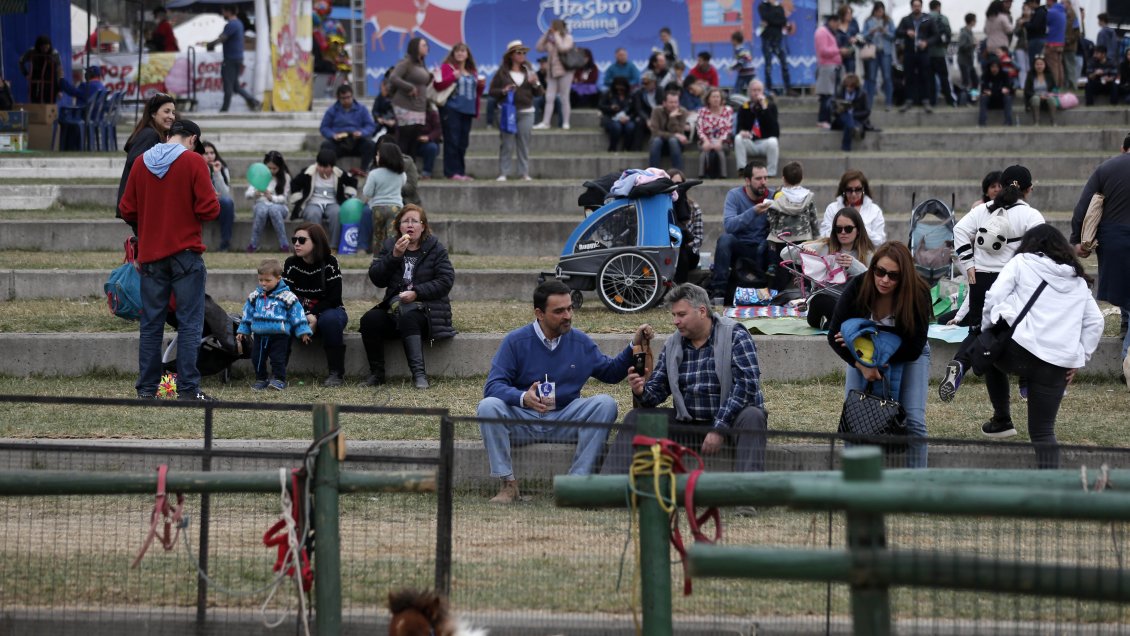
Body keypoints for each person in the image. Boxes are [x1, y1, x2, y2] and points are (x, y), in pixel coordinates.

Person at [477, 280, 642, 504]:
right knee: (487, 406)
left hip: (565, 419)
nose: (567, 315)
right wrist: (523, 397)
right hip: (524, 422)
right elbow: (493, 387)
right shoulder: (516, 341)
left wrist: (633, 346)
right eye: (559, 311)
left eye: (569, 308)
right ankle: (508, 484)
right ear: (539, 313)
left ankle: (574, 484)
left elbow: (610, 373)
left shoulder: (580, 341)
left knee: (606, 404)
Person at [601, 283, 769, 474]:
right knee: (635, 419)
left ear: (702, 311)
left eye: (681, 315)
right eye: (673, 315)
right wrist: (641, 391)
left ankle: (748, 497)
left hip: (730, 423)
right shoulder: (674, 343)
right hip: (689, 424)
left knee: (753, 416)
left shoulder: (735, 335)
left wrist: (719, 428)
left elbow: (746, 386)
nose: (675, 321)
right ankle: (608, 488)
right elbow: (657, 391)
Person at [978, 226, 1104, 467]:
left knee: (988, 348)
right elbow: (1096, 322)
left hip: (1017, 352)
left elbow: (993, 297)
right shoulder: (1077, 279)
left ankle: (1002, 417)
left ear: (1030, 244)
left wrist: (987, 329)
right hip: (1056, 363)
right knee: (1043, 432)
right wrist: (1079, 358)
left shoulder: (1022, 261)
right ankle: (1051, 498)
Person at [118, 119, 220, 402]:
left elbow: (127, 208)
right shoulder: (194, 162)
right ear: (193, 139)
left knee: (151, 324)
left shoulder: (140, 162)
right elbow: (209, 208)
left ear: (169, 135)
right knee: (190, 323)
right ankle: (187, 389)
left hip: (151, 255)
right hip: (186, 253)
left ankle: (147, 389)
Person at [940, 165, 1046, 402]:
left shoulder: (983, 209)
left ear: (1002, 185)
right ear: (1029, 189)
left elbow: (959, 230)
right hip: (1013, 281)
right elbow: (1040, 249)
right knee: (1021, 332)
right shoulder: (1031, 215)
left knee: (978, 332)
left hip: (982, 279)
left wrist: (969, 265)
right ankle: (1026, 385)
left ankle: (960, 363)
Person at [828, 242, 932, 467]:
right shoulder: (858, 287)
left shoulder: (919, 293)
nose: (885, 280)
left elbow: (914, 346)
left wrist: (875, 357)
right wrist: (863, 365)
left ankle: (918, 491)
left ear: (904, 277)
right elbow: (833, 335)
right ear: (873, 268)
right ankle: (856, 488)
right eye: (880, 272)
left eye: (893, 276)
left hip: (907, 354)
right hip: (862, 355)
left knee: (914, 421)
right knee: (856, 416)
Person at [360, 205, 455, 389]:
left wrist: (417, 293)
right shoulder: (389, 245)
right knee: (370, 320)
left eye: (415, 221)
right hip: (395, 308)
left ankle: (419, 376)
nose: (410, 225)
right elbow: (376, 278)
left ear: (423, 226)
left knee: (408, 318)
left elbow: (446, 280)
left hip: (426, 311)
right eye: (405, 221)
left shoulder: (435, 248)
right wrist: (394, 256)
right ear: (399, 227)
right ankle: (377, 374)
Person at [1071, 133, 1130, 375]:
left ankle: (1127, 335)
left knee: (1124, 287)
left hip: (1114, 238)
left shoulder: (1107, 168)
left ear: (1123, 147)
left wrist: (1077, 240)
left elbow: (1083, 206)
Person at [284, 223, 350, 386]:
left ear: (316, 242)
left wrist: (313, 314)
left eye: (302, 240)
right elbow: (287, 297)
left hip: (329, 310)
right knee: (280, 321)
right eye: (294, 240)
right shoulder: (291, 264)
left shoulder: (330, 262)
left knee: (330, 320)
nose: (296, 244)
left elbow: (334, 298)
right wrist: (304, 315)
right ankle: (278, 374)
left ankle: (336, 373)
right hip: (299, 312)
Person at [237, 259, 313, 391]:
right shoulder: (255, 296)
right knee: (257, 358)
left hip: (280, 335)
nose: (263, 283)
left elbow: (297, 314)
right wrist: (243, 330)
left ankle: (279, 379)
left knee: (278, 359)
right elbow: (247, 314)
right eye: (260, 280)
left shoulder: (287, 296)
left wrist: (303, 331)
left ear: (278, 278)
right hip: (260, 335)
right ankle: (261, 379)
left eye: (267, 280)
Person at [710, 162, 771, 300]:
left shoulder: (773, 196)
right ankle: (719, 291)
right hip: (741, 247)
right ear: (747, 180)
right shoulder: (735, 195)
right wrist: (754, 211)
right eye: (758, 179)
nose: (763, 182)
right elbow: (729, 226)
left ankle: (774, 289)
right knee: (725, 239)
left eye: (766, 178)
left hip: (763, 249)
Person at [117, 93, 176, 235]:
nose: (171, 116)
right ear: (153, 114)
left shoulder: (153, 133)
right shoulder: (150, 134)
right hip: (140, 204)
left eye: (173, 112)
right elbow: (135, 161)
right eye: (166, 111)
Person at [489, 40, 543, 182]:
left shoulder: (529, 71)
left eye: (523, 52)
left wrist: (535, 83)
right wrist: (503, 91)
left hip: (527, 111)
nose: (522, 55)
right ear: (511, 55)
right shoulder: (502, 73)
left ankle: (524, 172)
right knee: (506, 143)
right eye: (518, 52)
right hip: (507, 111)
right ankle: (503, 173)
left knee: (523, 143)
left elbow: (539, 93)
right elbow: (492, 92)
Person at [289, 148, 360, 247]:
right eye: (320, 166)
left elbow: (353, 181)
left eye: (326, 167)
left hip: (332, 203)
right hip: (313, 203)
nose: (322, 169)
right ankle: (316, 246)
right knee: (313, 214)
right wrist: (298, 199)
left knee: (337, 213)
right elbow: (294, 183)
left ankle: (334, 246)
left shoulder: (339, 173)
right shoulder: (308, 173)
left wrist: (347, 194)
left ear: (332, 166)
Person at [434, 42, 482, 181]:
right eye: (457, 51)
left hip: (467, 111)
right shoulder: (447, 68)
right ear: (453, 54)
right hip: (452, 109)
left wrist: (480, 86)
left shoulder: (472, 72)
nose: (460, 53)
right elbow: (438, 85)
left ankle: (460, 172)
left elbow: (476, 94)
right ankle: (451, 172)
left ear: (467, 54)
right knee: (452, 141)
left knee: (463, 143)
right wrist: (452, 77)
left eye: (463, 51)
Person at [763, 161, 819, 275]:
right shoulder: (808, 197)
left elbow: (771, 219)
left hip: (782, 239)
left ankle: (772, 266)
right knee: (802, 268)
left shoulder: (779, 196)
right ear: (802, 178)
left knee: (782, 265)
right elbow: (813, 219)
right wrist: (816, 237)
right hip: (804, 237)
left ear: (783, 179)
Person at [205, 5, 260, 112]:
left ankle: (224, 109)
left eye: (223, 11)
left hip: (230, 58)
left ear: (228, 12)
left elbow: (222, 38)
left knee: (228, 85)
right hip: (238, 58)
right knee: (236, 86)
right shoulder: (239, 23)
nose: (222, 13)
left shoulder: (231, 24)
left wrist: (210, 45)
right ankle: (254, 101)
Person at [389, 37, 434, 158]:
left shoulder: (421, 63)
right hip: (405, 104)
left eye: (426, 45)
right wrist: (409, 87)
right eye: (423, 45)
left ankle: (410, 170)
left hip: (419, 105)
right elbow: (393, 77)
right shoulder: (405, 62)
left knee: (414, 140)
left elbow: (422, 83)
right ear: (415, 47)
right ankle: (400, 168)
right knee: (405, 138)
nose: (426, 47)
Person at [319, 84, 377, 172]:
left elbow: (370, 126)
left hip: (357, 141)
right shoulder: (332, 110)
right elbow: (324, 127)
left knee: (371, 145)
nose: (346, 100)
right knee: (326, 146)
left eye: (348, 97)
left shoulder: (362, 109)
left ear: (352, 96)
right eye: (343, 98)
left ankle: (365, 170)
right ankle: (331, 171)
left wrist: (362, 133)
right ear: (338, 98)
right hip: (339, 143)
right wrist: (333, 135)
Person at [821, 170, 887, 244]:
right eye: (849, 190)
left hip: (865, 254)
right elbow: (824, 236)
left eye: (858, 189)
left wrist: (860, 227)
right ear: (843, 190)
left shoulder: (875, 210)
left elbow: (880, 241)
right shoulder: (832, 208)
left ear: (864, 189)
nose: (853, 194)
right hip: (839, 253)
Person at [245, 150, 292, 253]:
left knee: (273, 210)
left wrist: (272, 197)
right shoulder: (260, 175)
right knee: (262, 210)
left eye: (274, 168)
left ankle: (284, 244)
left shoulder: (285, 177)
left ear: (280, 167)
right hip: (261, 205)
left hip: (279, 207)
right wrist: (254, 193)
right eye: (268, 168)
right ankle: (253, 244)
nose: (271, 171)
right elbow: (247, 194)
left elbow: (284, 198)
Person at [363, 141, 407, 251]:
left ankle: (378, 257)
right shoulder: (401, 174)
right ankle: (394, 255)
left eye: (378, 155)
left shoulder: (374, 174)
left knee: (378, 235)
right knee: (393, 235)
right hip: (395, 207)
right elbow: (403, 185)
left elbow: (367, 192)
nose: (376, 157)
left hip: (378, 207)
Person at [534, 19, 575, 130]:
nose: (552, 28)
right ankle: (546, 122)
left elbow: (563, 49)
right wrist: (546, 34)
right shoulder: (550, 40)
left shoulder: (568, 38)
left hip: (565, 71)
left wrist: (556, 35)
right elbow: (538, 48)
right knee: (549, 97)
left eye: (554, 27)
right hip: (552, 71)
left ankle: (566, 122)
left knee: (564, 97)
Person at [733, 80, 780, 176]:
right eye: (754, 90)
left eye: (759, 90)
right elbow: (739, 128)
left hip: (765, 142)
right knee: (738, 138)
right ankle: (742, 170)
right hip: (750, 142)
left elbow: (775, 130)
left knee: (773, 141)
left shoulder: (771, 106)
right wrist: (743, 132)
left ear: (763, 91)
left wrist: (764, 108)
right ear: (749, 92)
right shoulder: (744, 107)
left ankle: (771, 173)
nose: (756, 93)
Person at [897, 0, 937, 113]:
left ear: (921, 6)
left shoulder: (928, 19)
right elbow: (897, 32)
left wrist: (927, 43)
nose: (917, 8)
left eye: (918, 6)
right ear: (911, 7)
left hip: (923, 52)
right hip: (909, 52)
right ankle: (908, 100)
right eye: (914, 6)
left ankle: (926, 101)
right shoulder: (906, 19)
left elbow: (935, 35)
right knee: (908, 76)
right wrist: (906, 32)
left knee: (925, 76)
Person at [669, 169, 705, 284]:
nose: (676, 187)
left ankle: (679, 289)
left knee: (683, 250)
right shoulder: (664, 207)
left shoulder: (693, 207)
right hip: (669, 252)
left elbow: (698, 239)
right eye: (672, 184)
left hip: (690, 252)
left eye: (679, 184)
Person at [830, 73, 877, 152]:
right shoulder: (840, 92)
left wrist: (852, 115)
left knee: (848, 122)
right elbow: (832, 110)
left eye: (851, 87)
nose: (848, 88)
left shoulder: (862, 94)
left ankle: (845, 147)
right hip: (841, 118)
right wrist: (839, 110)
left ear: (855, 86)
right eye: (847, 86)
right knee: (847, 117)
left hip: (855, 117)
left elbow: (867, 111)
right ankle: (854, 129)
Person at [201, 141, 235, 251]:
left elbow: (225, 194)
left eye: (212, 152)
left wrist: (217, 173)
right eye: (206, 153)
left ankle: (225, 243)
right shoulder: (196, 168)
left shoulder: (222, 168)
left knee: (227, 202)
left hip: (215, 207)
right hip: (200, 206)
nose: (210, 156)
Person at [863, 1, 896, 108]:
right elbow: (863, 35)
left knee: (887, 77)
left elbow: (893, 36)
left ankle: (888, 102)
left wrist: (885, 32)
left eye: (881, 12)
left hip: (885, 52)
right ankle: (869, 102)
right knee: (871, 77)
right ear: (874, 11)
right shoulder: (868, 21)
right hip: (873, 52)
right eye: (877, 12)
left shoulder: (888, 21)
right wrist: (871, 32)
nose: (879, 14)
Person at [696, 88, 733, 179]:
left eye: (718, 97)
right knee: (705, 151)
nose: (716, 99)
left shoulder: (727, 110)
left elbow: (728, 129)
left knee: (719, 150)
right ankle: (701, 175)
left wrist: (720, 141)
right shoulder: (702, 111)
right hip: (705, 140)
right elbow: (699, 128)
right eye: (713, 97)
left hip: (723, 141)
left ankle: (723, 175)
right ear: (708, 99)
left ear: (721, 99)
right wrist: (706, 141)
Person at [814, 13, 844, 128]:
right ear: (832, 21)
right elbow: (823, 51)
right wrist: (838, 51)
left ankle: (826, 119)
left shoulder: (829, 33)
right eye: (837, 24)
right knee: (826, 95)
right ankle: (823, 119)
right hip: (826, 67)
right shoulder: (822, 32)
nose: (838, 26)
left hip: (833, 66)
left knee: (830, 95)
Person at [648, 89, 689, 171]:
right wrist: (674, 135)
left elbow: (679, 132)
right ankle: (653, 173)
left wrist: (672, 118)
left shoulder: (683, 111)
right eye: (671, 102)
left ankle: (678, 173)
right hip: (659, 144)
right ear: (664, 103)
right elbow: (655, 132)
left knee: (673, 141)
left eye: (676, 102)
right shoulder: (656, 111)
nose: (674, 105)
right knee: (657, 140)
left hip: (676, 146)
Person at [759, 0, 793, 95]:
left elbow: (783, 20)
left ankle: (788, 88)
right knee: (768, 65)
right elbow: (766, 17)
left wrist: (773, 20)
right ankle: (769, 89)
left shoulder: (779, 7)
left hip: (778, 39)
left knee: (784, 63)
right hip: (767, 39)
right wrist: (775, 19)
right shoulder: (763, 6)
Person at [19, 35, 62, 104]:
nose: (45, 50)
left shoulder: (54, 53)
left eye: (47, 47)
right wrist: (26, 74)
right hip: (36, 82)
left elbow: (59, 70)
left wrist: (59, 89)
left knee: (50, 105)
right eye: (43, 48)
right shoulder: (32, 51)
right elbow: (21, 61)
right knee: (35, 103)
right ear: (39, 46)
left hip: (50, 83)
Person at [598, 77, 637, 152]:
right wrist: (610, 107)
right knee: (617, 127)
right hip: (611, 117)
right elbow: (600, 106)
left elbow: (635, 110)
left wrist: (628, 117)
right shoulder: (608, 93)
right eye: (617, 89)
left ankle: (626, 148)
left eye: (621, 89)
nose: (619, 91)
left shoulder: (631, 95)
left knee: (630, 127)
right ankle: (612, 147)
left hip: (626, 117)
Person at [978, 56, 1016, 126]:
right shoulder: (985, 75)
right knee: (983, 97)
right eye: (992, 67)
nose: (994, 69)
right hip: (990, 101)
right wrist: (1000, 91)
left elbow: (1009, 89)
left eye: (996, 67)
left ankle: (1008, 122)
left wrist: (992, 92)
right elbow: (984, 90)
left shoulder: (1004, 75)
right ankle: (982, 123)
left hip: (1001, 101)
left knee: (1008, 98)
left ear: (999, 67)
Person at [1025, 54, 1058, 125]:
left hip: (1047, 96)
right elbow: (1027, 91)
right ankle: (1036, 122)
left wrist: (1049, 94)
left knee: (1052, 99)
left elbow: (1054, 88)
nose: (1039, 66)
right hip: (1035, 97)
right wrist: (1039, 95)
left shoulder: (1049, 75)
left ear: (1045, 65)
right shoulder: (1030, 75)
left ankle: (1054, 122)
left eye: (1041, 64)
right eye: (1037, 64)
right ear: (1034, 65)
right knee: (1035, 98)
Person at [984, 1, 1015, 67]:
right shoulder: (1002, 17)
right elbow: (1009, 30)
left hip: (990, 45)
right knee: (1004, 66)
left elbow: (986, 31)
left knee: (993, 66)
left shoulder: (988, 19)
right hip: (1001, 45)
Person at [1044, 0, 1067, 87]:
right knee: (1059, 65)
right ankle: (1060, 84)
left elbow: (1044, 23)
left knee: (1052, 66)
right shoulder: (1062, 11)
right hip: (1060, 42)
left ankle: (1054, 85)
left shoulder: (1051, 12)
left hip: (1052, 43)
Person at [957, 13, 979, 100]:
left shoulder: (969, 32)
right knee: (966, 82)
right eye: (975, 20)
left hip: (969, 61)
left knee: (975, 80)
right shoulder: (964, 33)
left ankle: (973, 98)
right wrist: (973, 44)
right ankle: (964, 100)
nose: (976, 22)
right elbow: (961, 46)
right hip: (964, 61)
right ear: (971, 21)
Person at [837, 4, 862, 75]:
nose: (850, 15)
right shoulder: (836, 25)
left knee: (850, 77)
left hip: (850, 55)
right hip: (837, 55)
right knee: (837, 77)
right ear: (842, 14)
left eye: (851, 13)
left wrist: (856, 39)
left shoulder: (854, 25)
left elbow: (860, 38)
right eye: (848, 13)